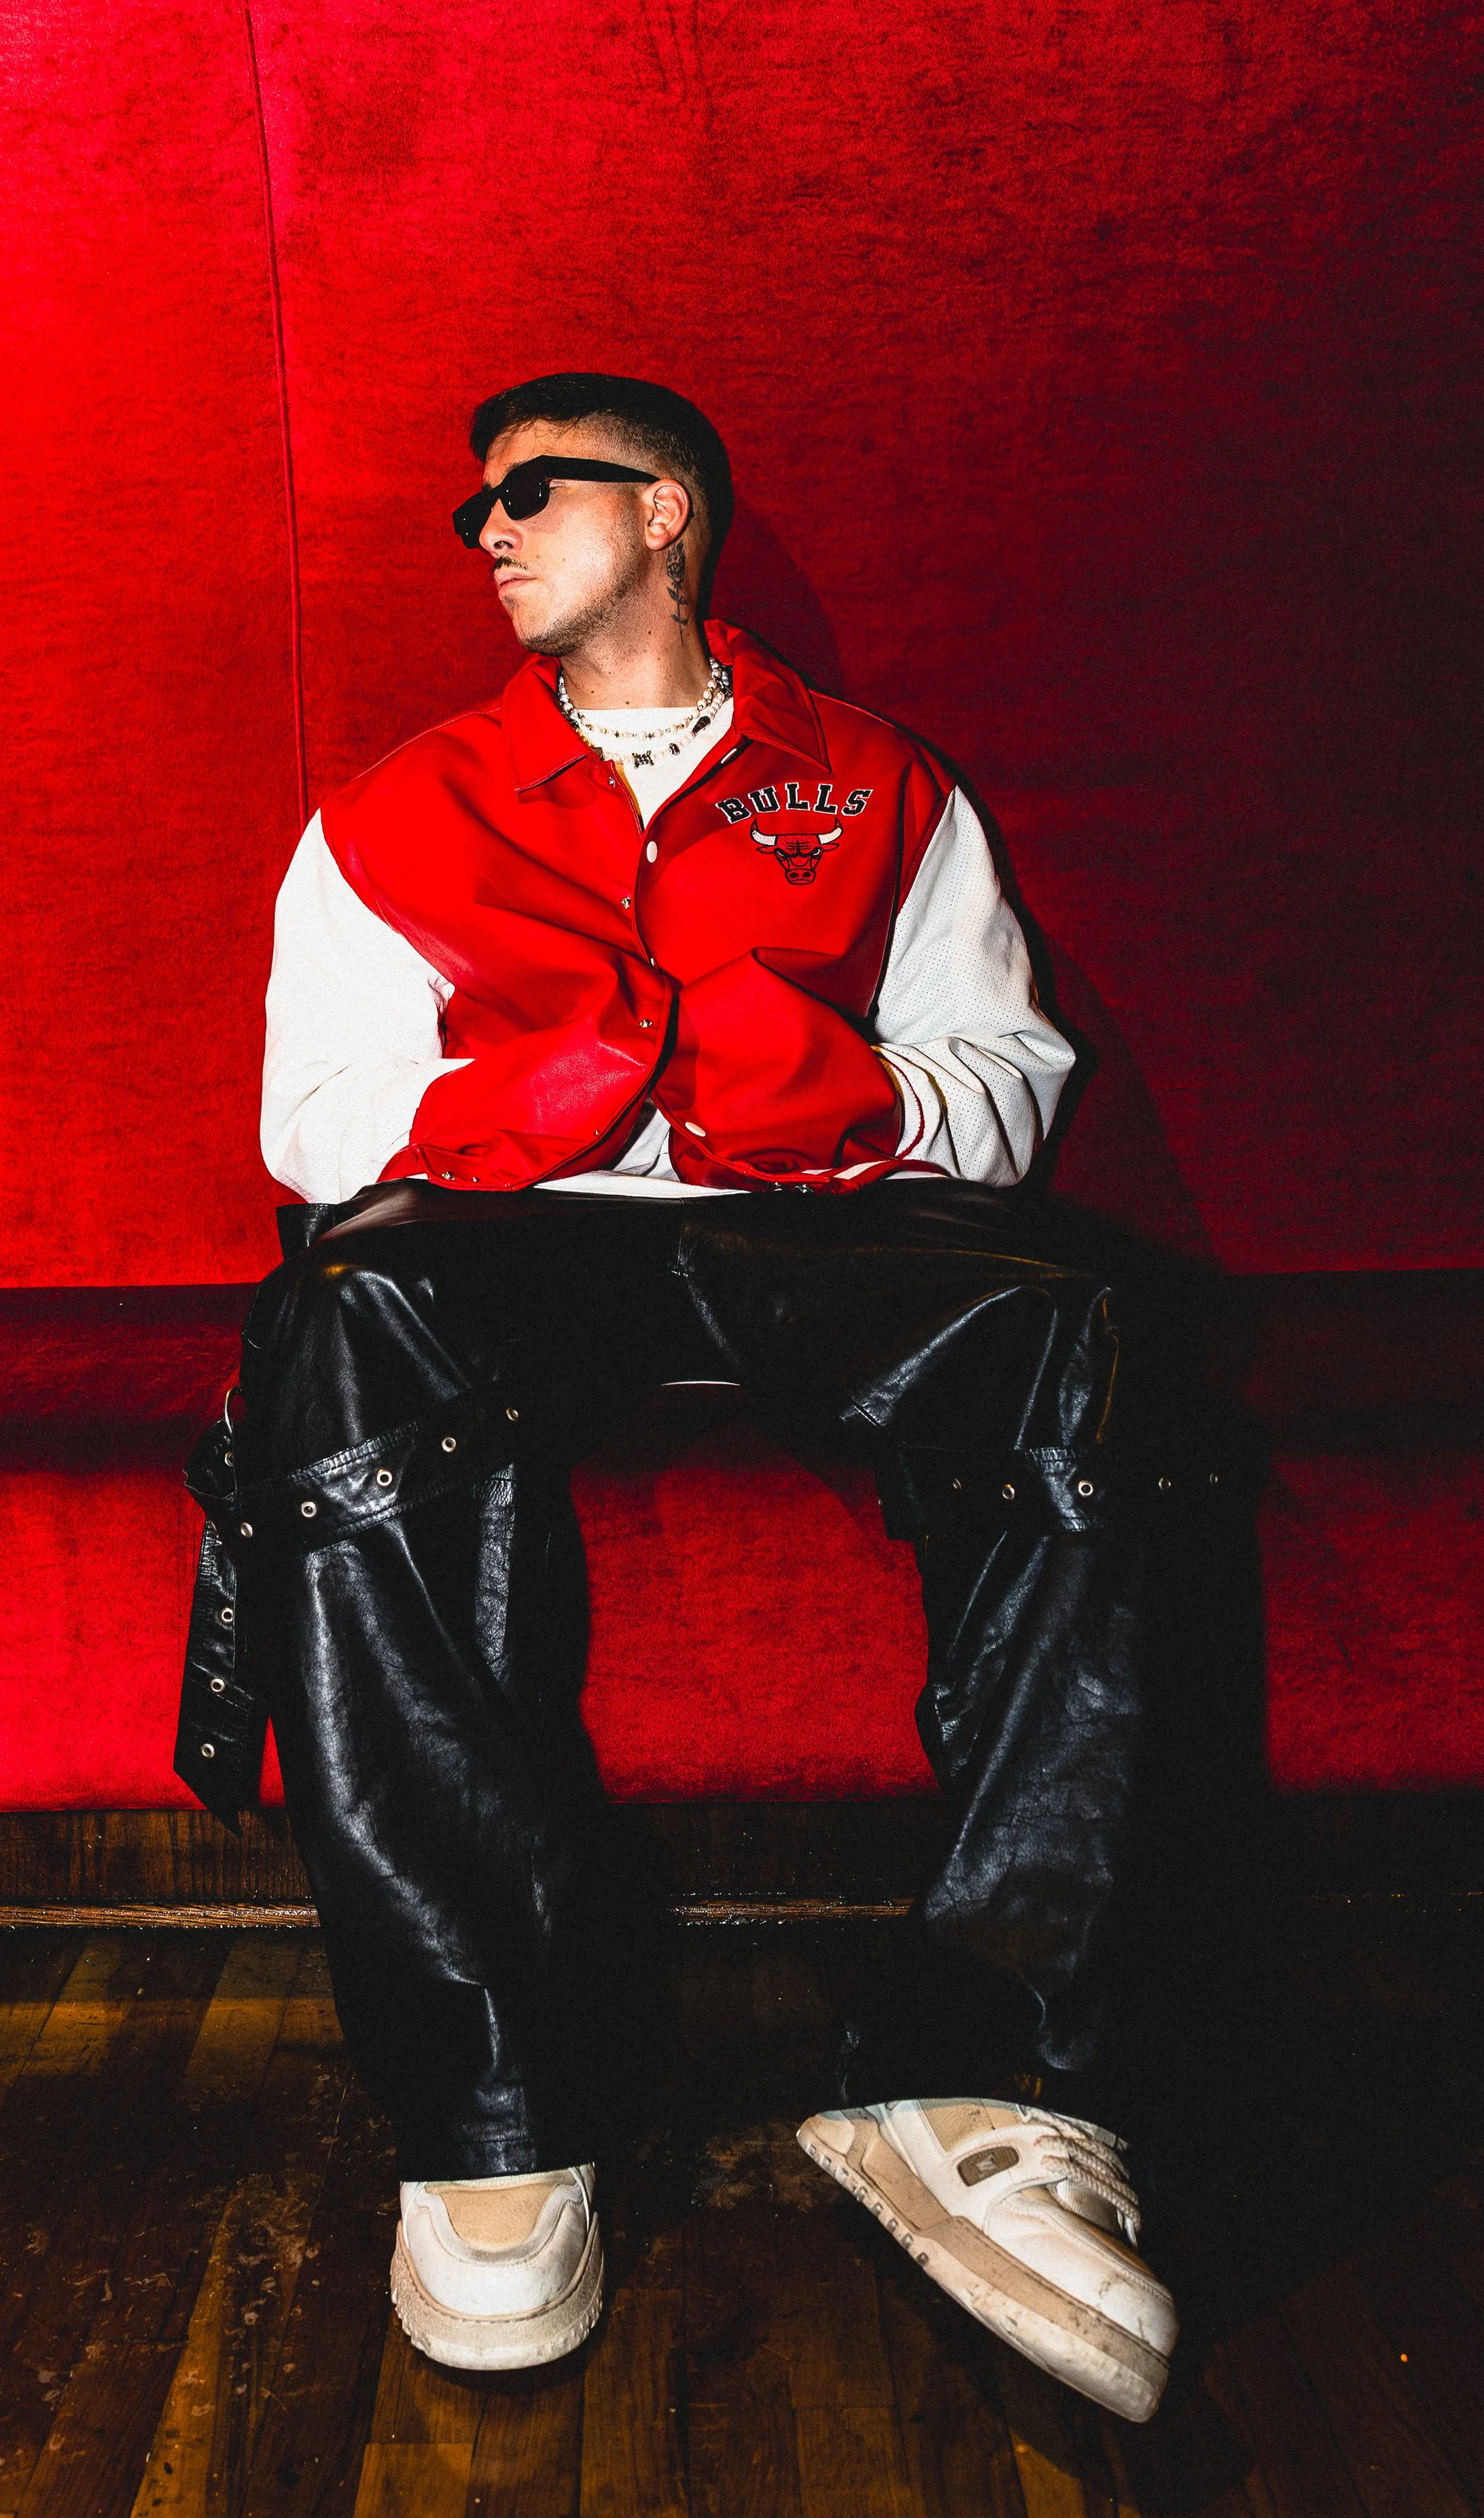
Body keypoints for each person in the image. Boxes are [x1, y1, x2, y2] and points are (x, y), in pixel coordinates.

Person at [177, 372, 1241, 2424]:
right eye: (471, 507)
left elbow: (1000, 1086)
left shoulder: (872, 783)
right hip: (509, 1228)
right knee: (334, 1327)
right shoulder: (395, 805)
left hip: (816, 1222)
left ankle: (990, 2076)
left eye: (522, 493)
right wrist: (541, 1093)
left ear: (662, 511)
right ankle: (499, 2102)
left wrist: (844, 1094)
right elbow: (313, 1130)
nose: (480, 532)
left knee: (1089, 1329)